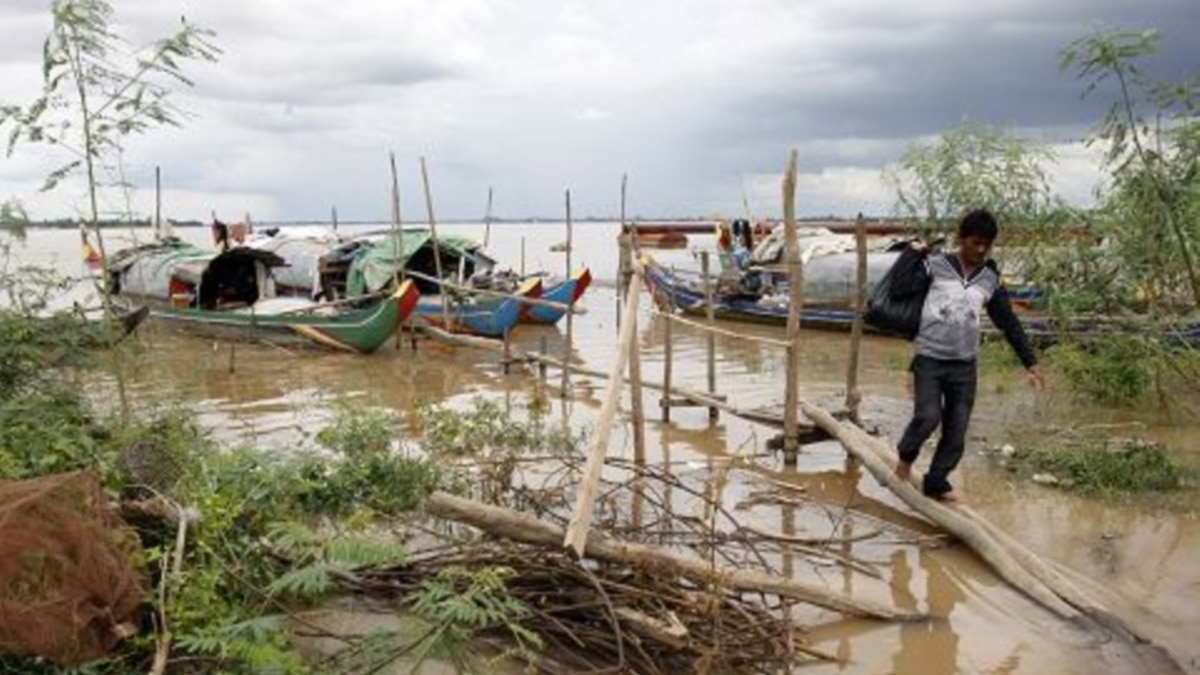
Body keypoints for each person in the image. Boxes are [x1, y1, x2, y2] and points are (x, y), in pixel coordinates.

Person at [890, 209, 1044, 502]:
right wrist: (912, 255)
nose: (981, 249)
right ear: (961, 239)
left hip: (964, 365)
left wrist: (1030, 362)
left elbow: (1007, 322)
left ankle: (936, 481)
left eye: (987, 243)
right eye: (976, 242)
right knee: (927, 417)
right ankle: (904, 461)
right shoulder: (935, 265)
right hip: (929, 359)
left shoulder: (990, 279)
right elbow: (899, 290)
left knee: (957, 429)